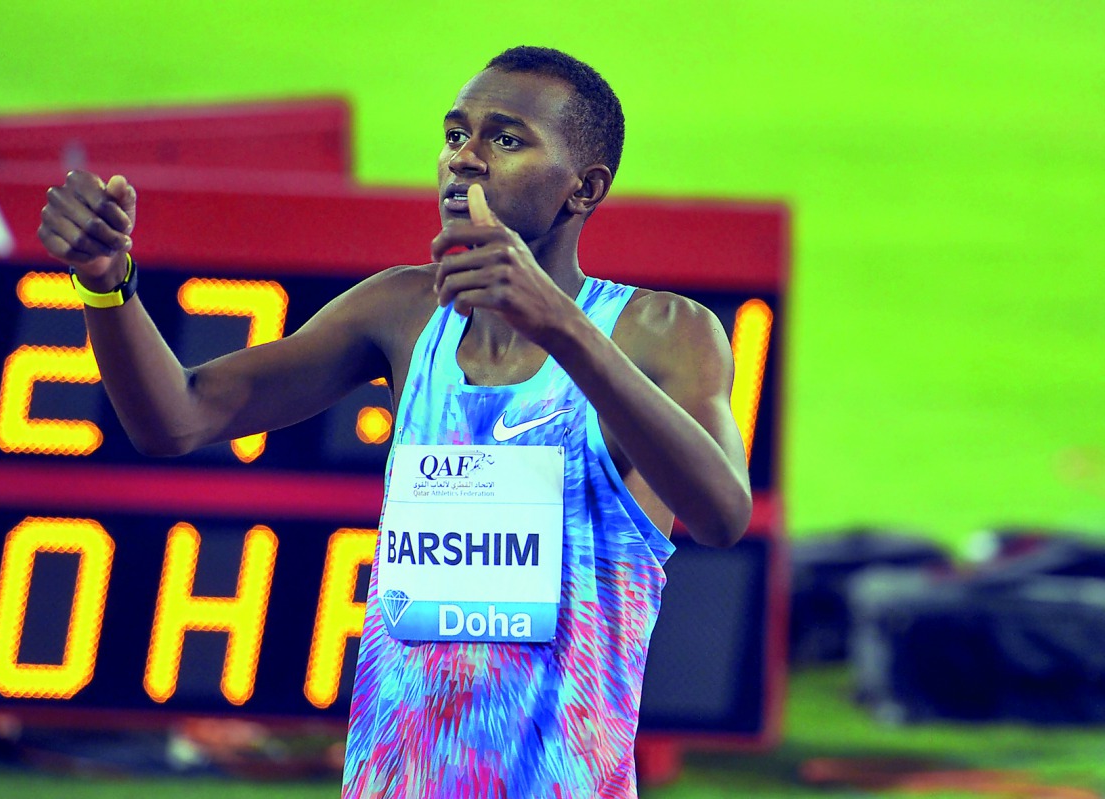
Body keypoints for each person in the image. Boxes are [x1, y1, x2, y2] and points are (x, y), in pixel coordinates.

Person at [38, 46, 751, 799]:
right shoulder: (404, 312)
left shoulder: (663, 331)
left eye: (507, 139)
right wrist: (107, 285)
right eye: (456, 135)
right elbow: (176, 417)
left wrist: (561, 328)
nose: (464, 158)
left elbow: (721, 514)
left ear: (585, 187)